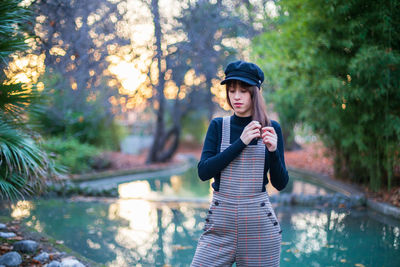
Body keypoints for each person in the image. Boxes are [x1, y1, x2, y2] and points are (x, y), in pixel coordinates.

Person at [190, 60, 289, 267]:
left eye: (243, 91)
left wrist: (273, 152)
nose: (236, 96)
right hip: (220, 227)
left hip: (259, 229)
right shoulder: (218, 126)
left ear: (255, 93)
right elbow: (203, 172)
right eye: (232, 90)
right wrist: (241, 142)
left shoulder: (272, 129)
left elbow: (280, 184)